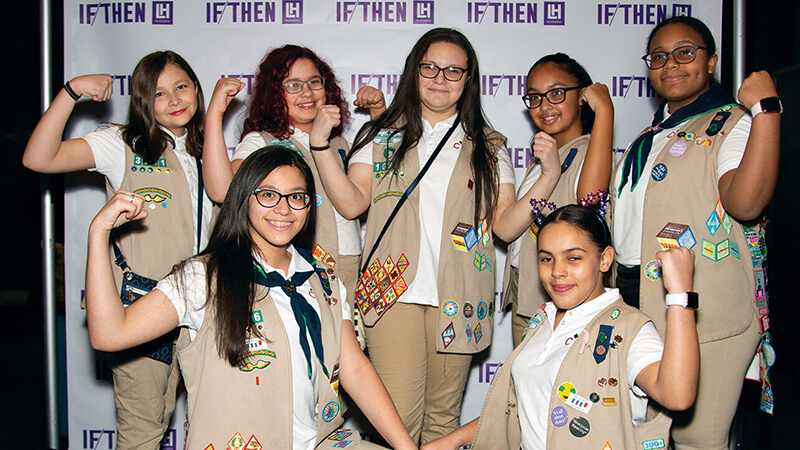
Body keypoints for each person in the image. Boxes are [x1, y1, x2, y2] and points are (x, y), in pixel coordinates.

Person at [85, 146, 417, 450]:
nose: (284, 209)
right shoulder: (203, 277)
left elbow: (355, 368)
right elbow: (109, 334)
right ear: (244, 199)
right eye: (268, 195)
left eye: (296, 197)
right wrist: (98, 232)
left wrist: (406, 448)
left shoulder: (323, 281)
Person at [309, 27, 537, 444]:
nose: (440, 78)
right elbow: (352, 203)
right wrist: (321, 148)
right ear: (414, 71)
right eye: (430, 67)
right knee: (398, 422)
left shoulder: (490, 145)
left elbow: (505, 224)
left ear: (469, 79)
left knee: (443, 423)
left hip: (461, 295)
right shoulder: (382, 136)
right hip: (392, 292)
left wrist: (548, 177)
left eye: (454, 71)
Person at [22, 51, 212, 449]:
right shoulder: (120, 143)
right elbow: (38, 157)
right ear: (143, 100)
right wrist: (70, 93)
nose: (175, 100)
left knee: (206, 427)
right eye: (159, 94)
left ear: (196, 88)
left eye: (181, 87)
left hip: (203, 312)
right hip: (142, 307)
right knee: (141, 434)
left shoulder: (206, 152)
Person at [612, 15, 780, 449]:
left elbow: (746, 202)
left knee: (696, 440)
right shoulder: (649, 136)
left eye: (685, 52)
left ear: (712, 62)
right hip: (639, 299)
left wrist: (765, 112)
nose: (670, 64)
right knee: (646, 436)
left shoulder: (731, 123)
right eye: (659, 57)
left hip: (703, 310)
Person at [421, 205, 700, 450]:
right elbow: (525, 409)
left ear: (604, 259)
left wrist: (680, 295)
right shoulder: (541, 321)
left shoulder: (628, 327)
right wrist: (453, 439)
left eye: (573, 258)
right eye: (547, 258)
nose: (557, 271)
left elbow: (677, 395)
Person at [203, 45, 386, 305]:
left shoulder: (340, 144)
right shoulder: (263, 141)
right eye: (293, 85)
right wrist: (215, 115)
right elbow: (222, 191)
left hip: (348, 264)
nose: (307, 93)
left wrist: (379, 113)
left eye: (314, 82)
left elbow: (362, 197)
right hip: (301, 265)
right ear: (274, 93)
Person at [502, 53, 614, 346]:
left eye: (556, 93)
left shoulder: (591, 150)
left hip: (568, 302)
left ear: (582, 97)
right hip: (528, 296)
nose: (544, 105)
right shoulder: (541, 159)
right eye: (535, 97)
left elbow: (590, 201)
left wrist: (604, 111)